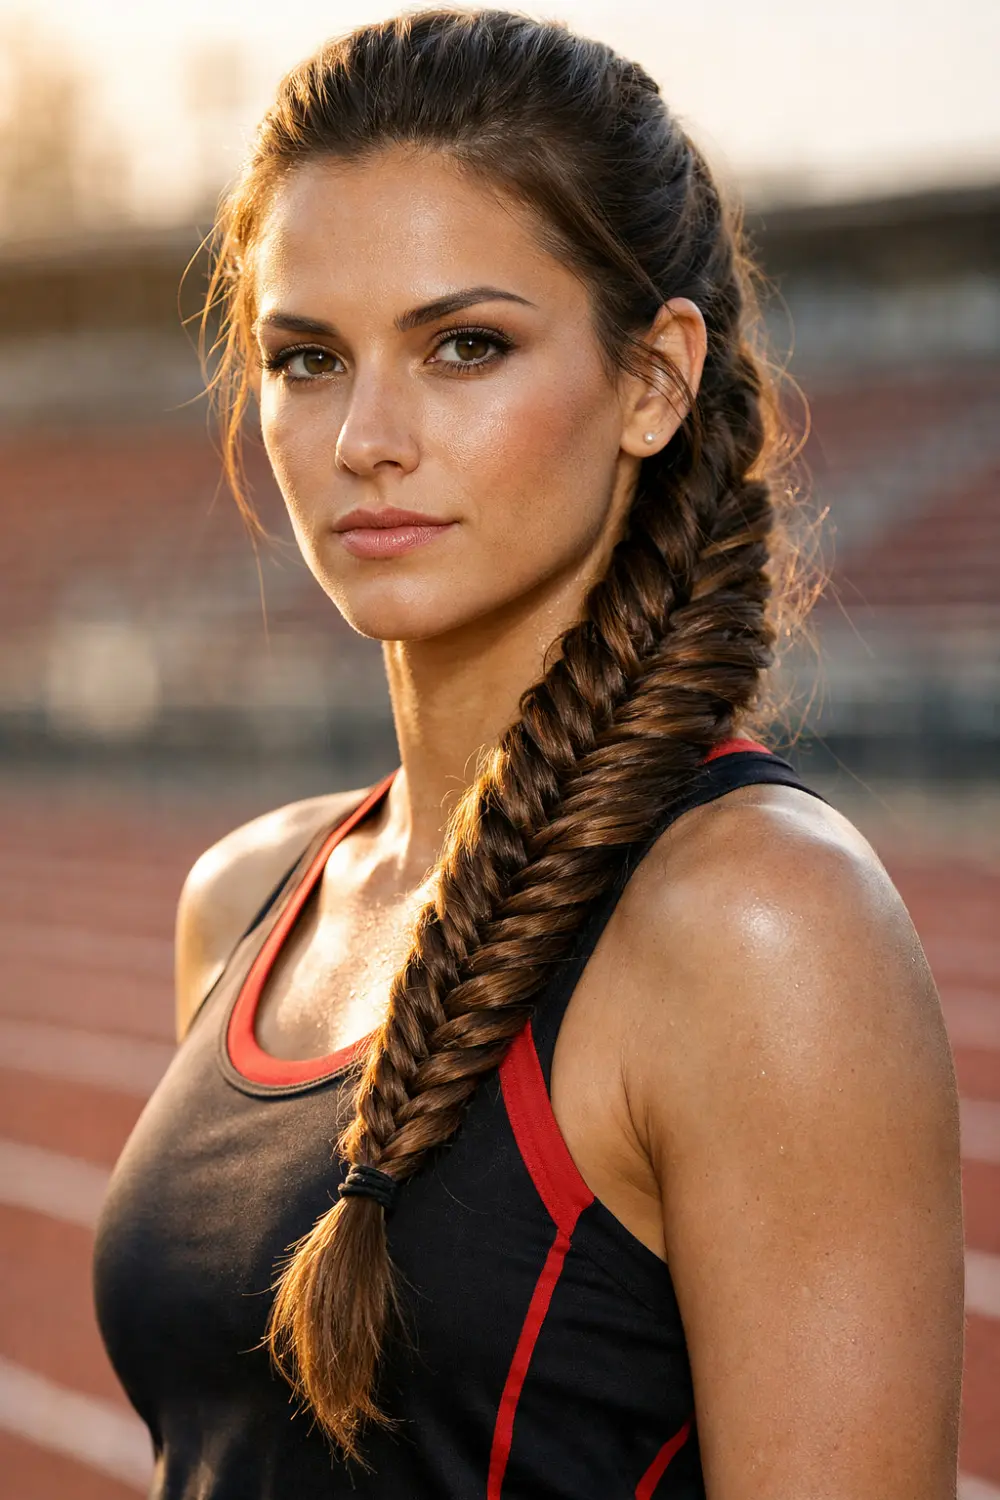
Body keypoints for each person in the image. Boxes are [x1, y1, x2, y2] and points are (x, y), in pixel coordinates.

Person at [92, 9, 964, 1497]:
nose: (368, 434)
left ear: (654, 380)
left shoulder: (759, 929)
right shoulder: (243, 901)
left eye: (465, 346)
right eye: (306, 358)